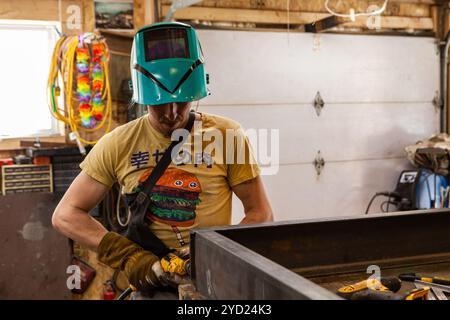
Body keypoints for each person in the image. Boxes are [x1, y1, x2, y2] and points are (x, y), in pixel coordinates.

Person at [52, 21, 274, 300]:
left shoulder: (227, 135)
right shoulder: (118, 143)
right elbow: (65, 215)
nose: (171, 113)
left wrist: (215, 252)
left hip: (212, 284)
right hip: (152, 288)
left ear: (198, 90)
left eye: (182, 102)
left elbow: (261, 212)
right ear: (141, 96)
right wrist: (129, 257)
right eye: (159, 104)